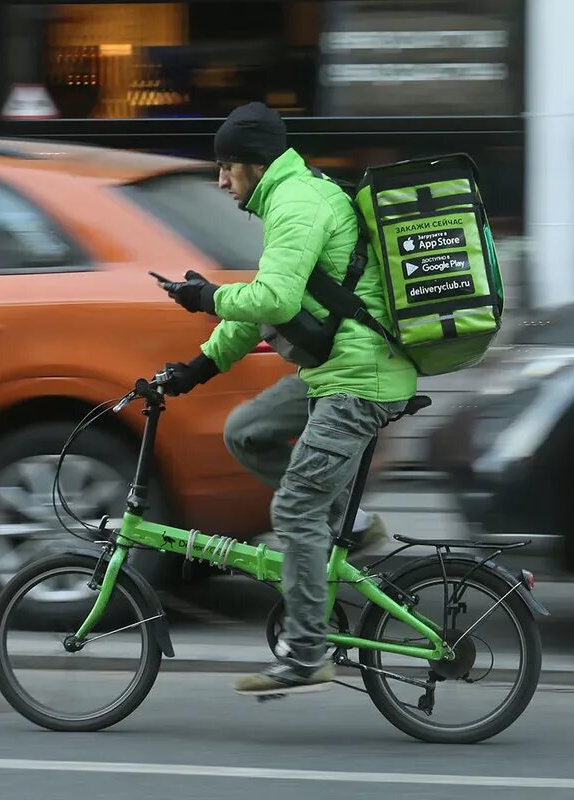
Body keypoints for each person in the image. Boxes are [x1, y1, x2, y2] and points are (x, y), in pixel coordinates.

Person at [156, 101, 417, 695]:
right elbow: (275, 300)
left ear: (255, 163)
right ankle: (359, 525)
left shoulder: (297, 204)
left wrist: (206, 299)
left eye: (226, 167)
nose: (221, 180)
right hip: (334, 370)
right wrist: (197, 368)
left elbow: (269, 301)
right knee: (246, 430)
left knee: (294, 509)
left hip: (360, 379)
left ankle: (307, 653)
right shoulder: (289, 199)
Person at [222, 372, 388, 553]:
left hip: (346, 373)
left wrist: (200, 366)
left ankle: (344, 521)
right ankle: (347, 520)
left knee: (243, 431)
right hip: (343, 373)